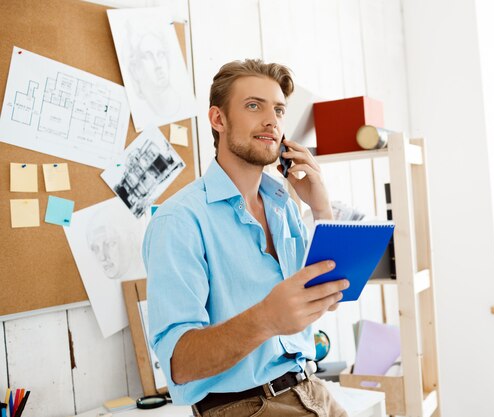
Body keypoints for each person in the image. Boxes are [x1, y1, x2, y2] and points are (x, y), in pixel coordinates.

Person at [143, 59, 349, 417]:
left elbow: (328, 298)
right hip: (246, 405)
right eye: (254, 106)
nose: (272, 120)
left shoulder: (284, 206)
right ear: (218, 120)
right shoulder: (179, 221)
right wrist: (266, 318)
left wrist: (321, 208)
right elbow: (179, 363)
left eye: (279, 110)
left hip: (310, 389)